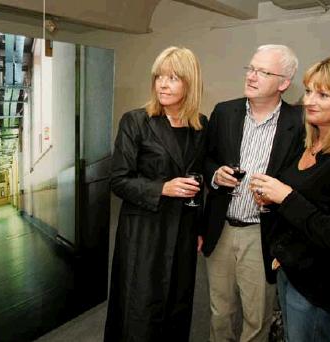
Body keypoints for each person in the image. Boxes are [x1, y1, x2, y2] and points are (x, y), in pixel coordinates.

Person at [250, 55, 330, 341]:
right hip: (291, 270)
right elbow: (304, 205)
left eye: (323, 94)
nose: (310, 100)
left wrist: (285, 197)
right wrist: (272, 201)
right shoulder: (310, 145)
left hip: (319, 286)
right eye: (309, 91)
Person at [198, 44, 305, 341]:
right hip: (222, 226)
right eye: (251, 68)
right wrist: (215, 175)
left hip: (263, 232)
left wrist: (279, 194)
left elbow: (305, 179)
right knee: (219, 311)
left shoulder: (299, 123)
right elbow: (206, 158)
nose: (252, 76)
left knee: (256, 316)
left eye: (263, 71)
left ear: (284, 83)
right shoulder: (224, 111)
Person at [104, 46, 208, 341]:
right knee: (140, 309)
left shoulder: (200, 126)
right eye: (159, 77)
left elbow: (201, 180)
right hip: (144, 232)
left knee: (177, 304)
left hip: (183, 231)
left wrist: (199, 227)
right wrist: (163, 187)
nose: (163, 84)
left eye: (173, 78)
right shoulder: (136, 121)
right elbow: (118, 180)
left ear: (191, 83)